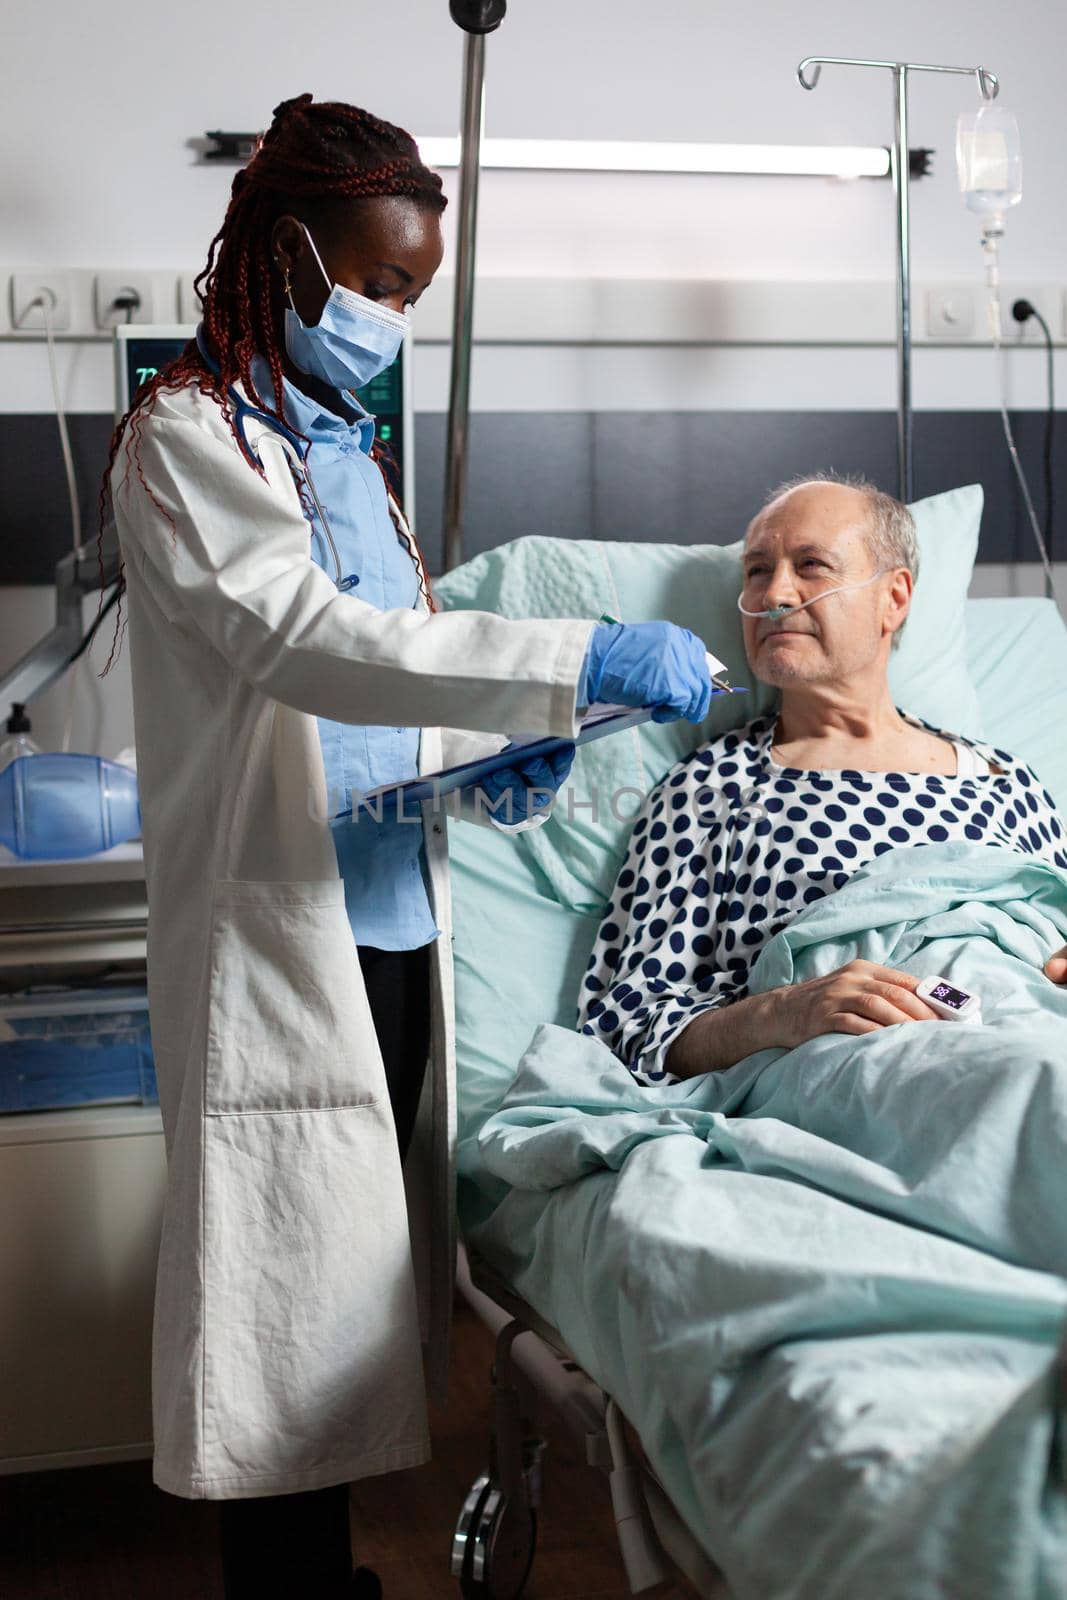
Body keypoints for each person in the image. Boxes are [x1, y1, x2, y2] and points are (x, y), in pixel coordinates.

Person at [103, 95, 713, 1599]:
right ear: (286, 255)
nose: (387, 318)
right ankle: (291, 1586)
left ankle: (322, 1574)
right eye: (372, 285)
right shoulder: (186, 442)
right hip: (276, 932)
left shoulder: (350, 462)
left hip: (388, 920)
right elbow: (309, 643)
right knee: (277, 1283)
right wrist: (577, 654)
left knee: (348, 1280)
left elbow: (402, 684)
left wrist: (512, 750)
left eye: (411, 297)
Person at [579, 473, 1067, 1084]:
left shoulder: (1005, 782)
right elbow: (621, 1027)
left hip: (1029, 1031)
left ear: (893, 598)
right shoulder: (712, 789)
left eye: (811, 564)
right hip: (862, 1074)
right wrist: (785, 1011)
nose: (774, 594)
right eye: (757, 570)